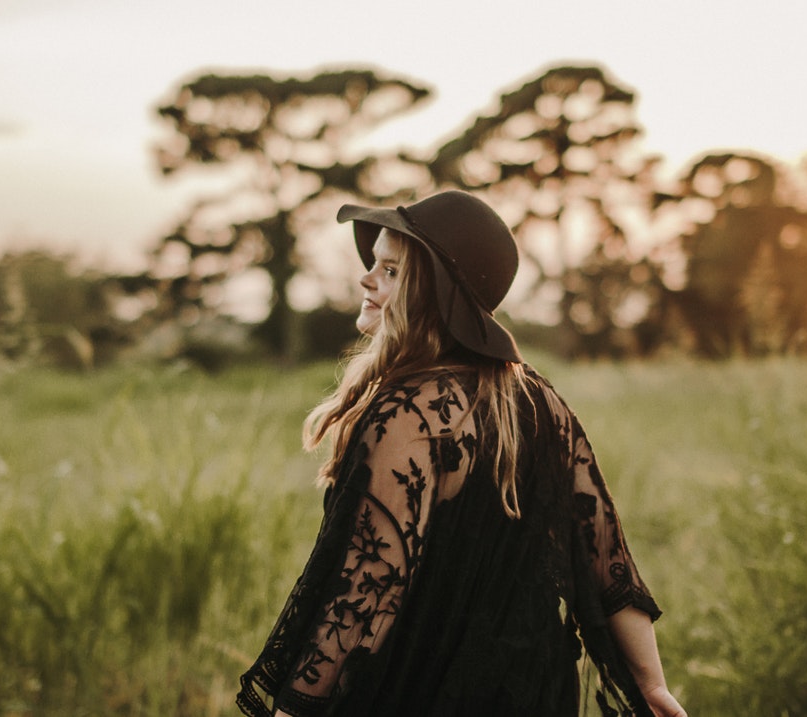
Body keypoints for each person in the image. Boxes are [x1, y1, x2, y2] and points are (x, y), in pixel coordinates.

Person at [236, 190, 686, 717]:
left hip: (426, 687)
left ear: (435, 292)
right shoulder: (541, 401)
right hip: (532, 690)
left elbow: (369, 588)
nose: (366, 278)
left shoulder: (408, 414)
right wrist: (652, 684)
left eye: (391, 270)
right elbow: (607, 556)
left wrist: (295, 708)